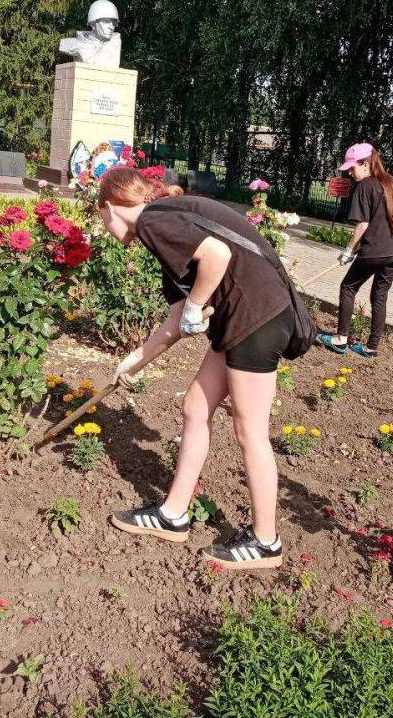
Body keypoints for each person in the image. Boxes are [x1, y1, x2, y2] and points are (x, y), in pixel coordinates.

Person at [96, 166, 299, 569]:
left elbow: (217, 255)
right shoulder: (164, 222)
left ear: (109, 207)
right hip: (242, 320)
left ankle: (265, 542)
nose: (103, 228)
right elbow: (177, 317)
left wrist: (195, 305)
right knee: (194, 407)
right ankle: (173, 515)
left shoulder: (153, 219)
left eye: (100, 218)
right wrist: (135, 360)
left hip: (257, 318)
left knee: (250, 431)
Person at [317, 143, 393, 358]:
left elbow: (362, 225)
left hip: (375, 251)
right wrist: (392, 221)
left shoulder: (365, 187)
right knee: (379, 296)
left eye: (353, 167)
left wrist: (349, 250)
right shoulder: (390, 182)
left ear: (366, 163)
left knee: (348, 287)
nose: (351, 173)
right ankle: (371, 348)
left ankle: (340, 340)